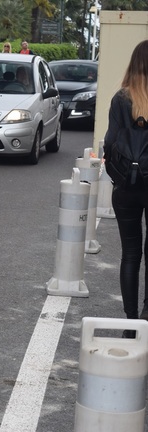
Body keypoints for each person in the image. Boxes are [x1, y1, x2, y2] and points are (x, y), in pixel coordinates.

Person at [103, 40, 148, 336]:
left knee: (130, 254)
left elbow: (110, 144)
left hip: (128, 187)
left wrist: (118, 178)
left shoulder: (121, 98)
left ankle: (130, 322)